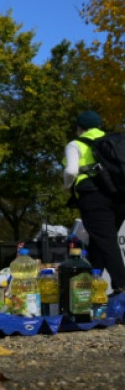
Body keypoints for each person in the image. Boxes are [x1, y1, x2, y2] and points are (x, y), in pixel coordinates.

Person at [62, 110, 125, 293]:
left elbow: (71, 171)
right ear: (98, 125)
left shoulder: (76, 144)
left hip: (93, 196)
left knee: (106, 241)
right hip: (119, 195)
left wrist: (66, 186)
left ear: (79, 128)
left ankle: (122, 287)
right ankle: (87, 290)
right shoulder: (113, 140)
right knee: (99, 243)